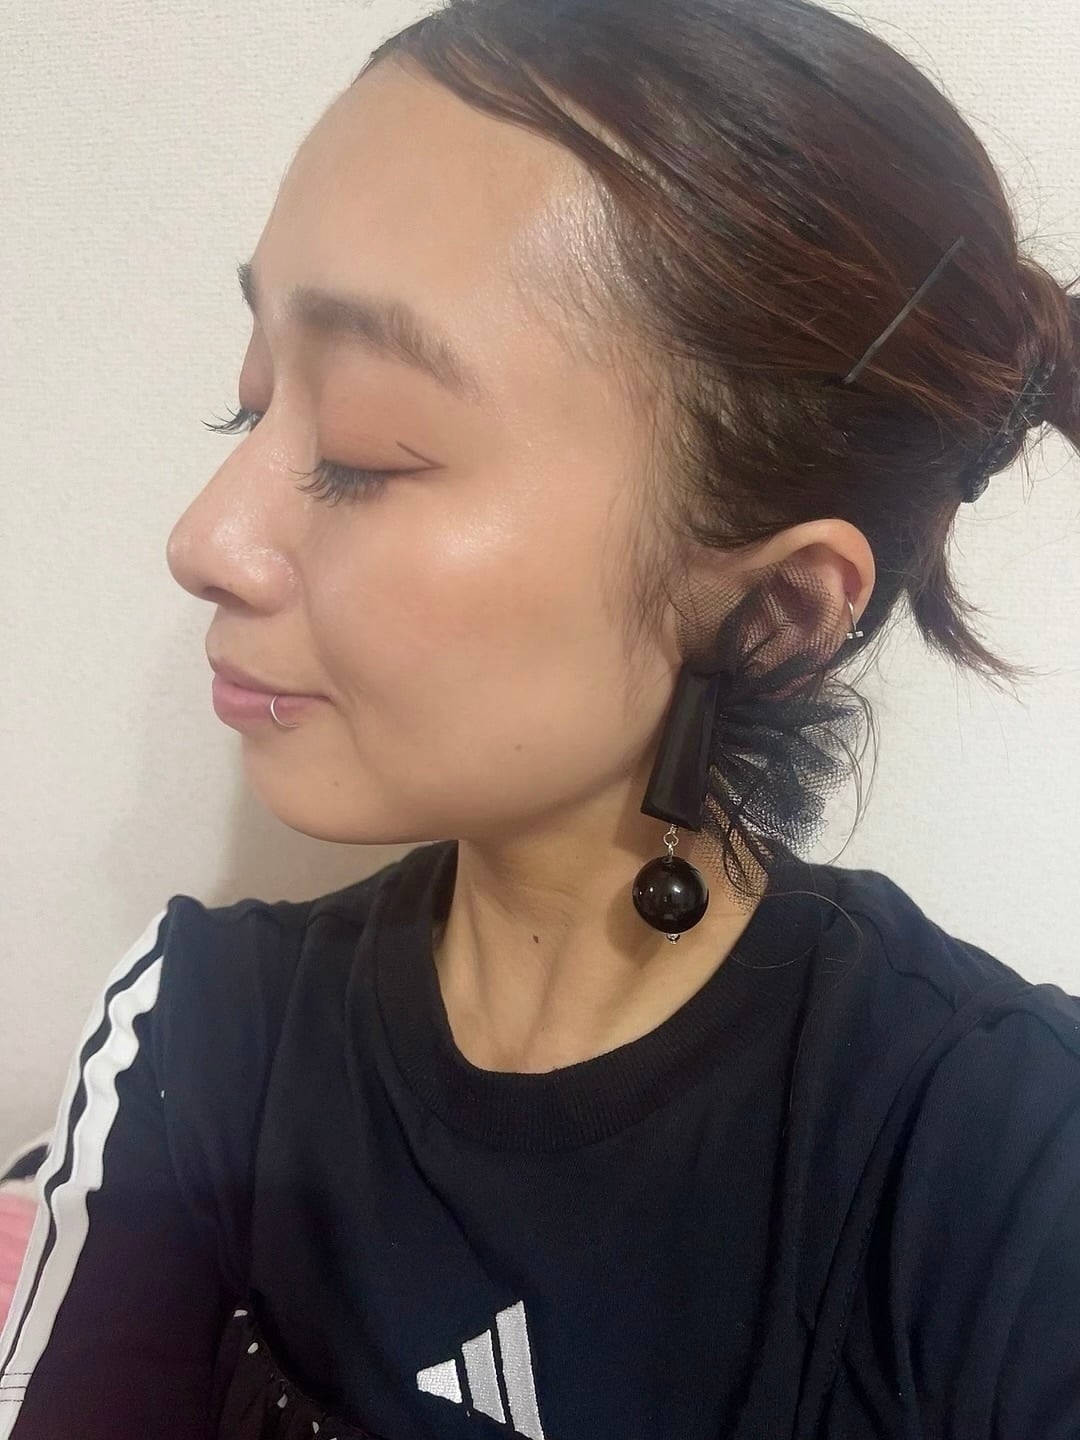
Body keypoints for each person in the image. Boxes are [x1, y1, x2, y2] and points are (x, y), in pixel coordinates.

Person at [3, 0, 1079, 1435]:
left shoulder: (1007, 1172)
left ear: (773, 611)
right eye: (249, 406)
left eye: (366, 450)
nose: (206, 541)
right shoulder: (202, 1036)